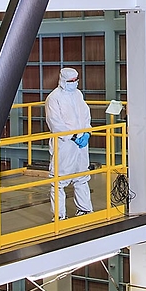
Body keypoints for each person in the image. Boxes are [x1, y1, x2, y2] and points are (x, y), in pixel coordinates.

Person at [44, 67, 92, 218]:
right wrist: (73, 137)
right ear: (63, 81)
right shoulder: (54, 98)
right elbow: (55, 122)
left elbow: (85, 114)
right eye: (71, 81)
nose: (74, 83)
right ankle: (59, 215)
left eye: (76, 80)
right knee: (59, 180)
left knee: (82, 176)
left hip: (81, 143)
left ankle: (84, 209)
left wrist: (87, 132)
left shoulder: (78, 94)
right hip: (64, 144)